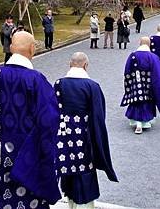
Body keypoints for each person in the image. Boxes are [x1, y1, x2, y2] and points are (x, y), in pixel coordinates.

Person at [0, 31, 61, 209]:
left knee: (0, 197)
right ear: (32, 48)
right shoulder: (36, 80)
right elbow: (49, 121)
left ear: (12, 48)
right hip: (28, 157)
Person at [54, 52, 118, 208]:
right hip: (84, 137)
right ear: (85, 65)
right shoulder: (92, 86)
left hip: (63, 137)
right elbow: (98, 116)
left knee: (67, 167)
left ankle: (70, 203)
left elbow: (52, 111)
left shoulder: (58, 83)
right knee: (84, 169)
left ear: (70, 64)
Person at [120, 37, 160, 134]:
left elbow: (127, 71)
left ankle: (136, 122)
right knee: (146, 103)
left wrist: (129, 86)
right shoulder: (153, 57)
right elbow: (158, 75)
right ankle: (143, 123)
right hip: (148, 87)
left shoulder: (132, 56)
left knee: (136, 102)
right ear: (149, 44)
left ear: (139, 43)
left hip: (135, 85)